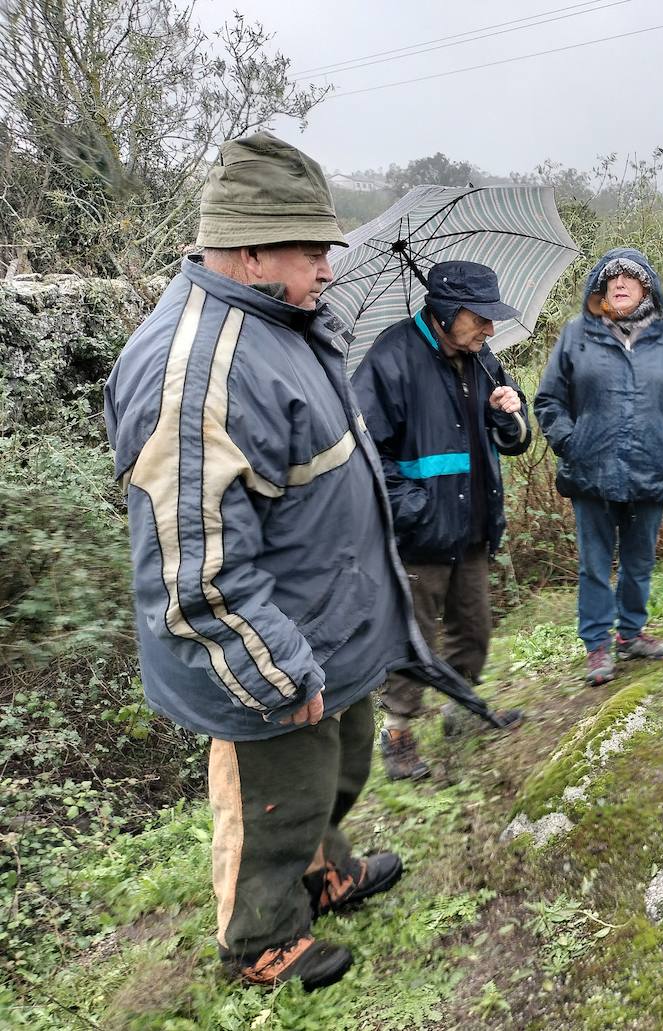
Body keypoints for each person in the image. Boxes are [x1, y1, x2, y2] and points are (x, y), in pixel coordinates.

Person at [103, 132, 514, 993]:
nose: (330, 267)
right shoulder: (197, 372)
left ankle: (326, 868)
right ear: (251, 250)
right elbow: (198, 574)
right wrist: (280, 670)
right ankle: (263, 937)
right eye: (313, 249)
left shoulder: (281, 324)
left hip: (331, 622)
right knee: (271, 800)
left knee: (336, 768)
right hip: (272, 653)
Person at [352, 261, 532, 781]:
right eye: (481, 318)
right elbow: (365, 453)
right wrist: (416, 509)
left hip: (473, 525)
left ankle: (462, 713)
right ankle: (399, 735)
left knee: (472, 631)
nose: (490, 329)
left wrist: (509, 411)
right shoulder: (392, 358)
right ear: (449, 311)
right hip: (418, 536)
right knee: (414, 640)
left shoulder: (482, 359)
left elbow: (514, 441)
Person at [534, 248, 663, 685]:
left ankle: (631, 633)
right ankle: (597, 645)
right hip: (591, 469)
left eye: (630, 277)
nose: (620, 284)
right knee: (594, 563)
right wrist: (570, 443)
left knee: (639, 560)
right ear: (601, 288)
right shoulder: (578, 333)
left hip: (654, 466)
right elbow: (549, 400)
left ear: (647, 286)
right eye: (611, 279)